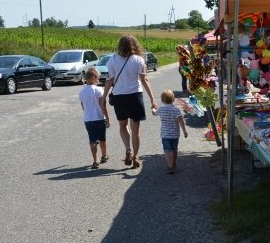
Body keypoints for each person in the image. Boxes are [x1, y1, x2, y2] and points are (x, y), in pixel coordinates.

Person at [102, 34, 158, 169]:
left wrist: (103, 97)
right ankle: (136, 156)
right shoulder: (138, 60)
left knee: (122, 126)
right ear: (134, 45)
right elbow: (144, 80)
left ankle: (128, 149)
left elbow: (109, 80)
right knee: (136, 129)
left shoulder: (112, 60)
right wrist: (152, 99)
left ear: (119, 45)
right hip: (135, 96)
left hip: (120, 97)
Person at [79, 67, 110, 169]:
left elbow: (83, 107)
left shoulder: (81, 92)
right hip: (100, 118)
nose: (98, 80)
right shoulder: (99, 90)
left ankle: (95, 160)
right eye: (97, 78)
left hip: (88, 119)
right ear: (92, 78)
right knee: (102, 139)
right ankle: (104, 156)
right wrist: (108, 118)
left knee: (92, 140)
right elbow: (103, 106)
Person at [157, 89, 188, 174]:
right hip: (175, 135)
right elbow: (181, 121)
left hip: (165, 135)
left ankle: (170, 165)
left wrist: (153, 109)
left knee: (167, 150)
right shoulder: (176, 110)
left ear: (162, 100)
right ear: (173, 100)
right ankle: (173, 163)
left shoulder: (160, 109)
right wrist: (184, 131)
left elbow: (154, 113)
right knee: (174, 150)